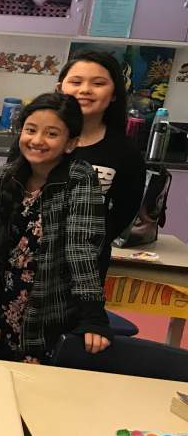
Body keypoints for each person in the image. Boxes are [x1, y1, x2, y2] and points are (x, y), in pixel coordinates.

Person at [0, 92, 112, 363]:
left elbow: (81, 250)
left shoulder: (79, 178)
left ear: (70, 143)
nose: (37, 141)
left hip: (50, 309)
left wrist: (93, 317)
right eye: (31, 130)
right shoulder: (5, 176)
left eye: (51, 134)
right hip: (4, 304)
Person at [56, 51, 146, 280]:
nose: (85, 89)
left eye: (98, 83)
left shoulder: (125, 152)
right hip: (25, 256)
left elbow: (125, 209)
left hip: (84, 266)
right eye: (76, 82)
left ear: (114, 93)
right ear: (60, 88)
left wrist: (93, 240)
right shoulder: (38, 140)